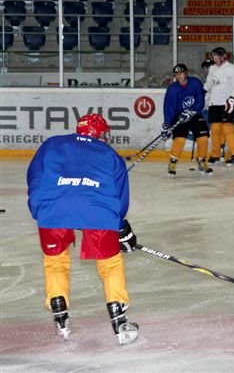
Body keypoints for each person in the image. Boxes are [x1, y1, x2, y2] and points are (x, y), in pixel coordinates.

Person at [26, 114, 139, 345]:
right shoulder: (110, 155)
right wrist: (120, 228)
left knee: (55, 261)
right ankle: (119, 317)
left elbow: (34, 177)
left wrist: (39, 208)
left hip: (53, 209)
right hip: (97, 211)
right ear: (101, 134)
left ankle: (59, 309)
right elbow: (120, 196)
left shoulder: (53, 144)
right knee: (110, 264)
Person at [162, 63, 213, 177]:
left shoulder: (195, 83)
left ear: (186, 73)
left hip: (194, 114)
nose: (179, 76)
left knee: (203, 138)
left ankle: (202, 161)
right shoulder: (172, 89)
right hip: (179, 116)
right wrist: (167, 124)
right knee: (179, 139)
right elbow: (169, 108)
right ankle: (173, 162)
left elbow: (200, 100)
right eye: (176, 74)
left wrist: (192, 111)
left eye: (181, 73)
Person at [204, 47, 234, 166]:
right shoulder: (212, 69)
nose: (214, 59)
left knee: (228, 128)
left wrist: (233, 99)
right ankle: (215, 155)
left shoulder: (232, 69)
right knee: (215, 129)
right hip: (214, 102)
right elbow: (209, 83)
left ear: (222, 56)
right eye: (213, 56)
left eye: (216, 56)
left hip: (227, 103)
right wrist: (203, 91)